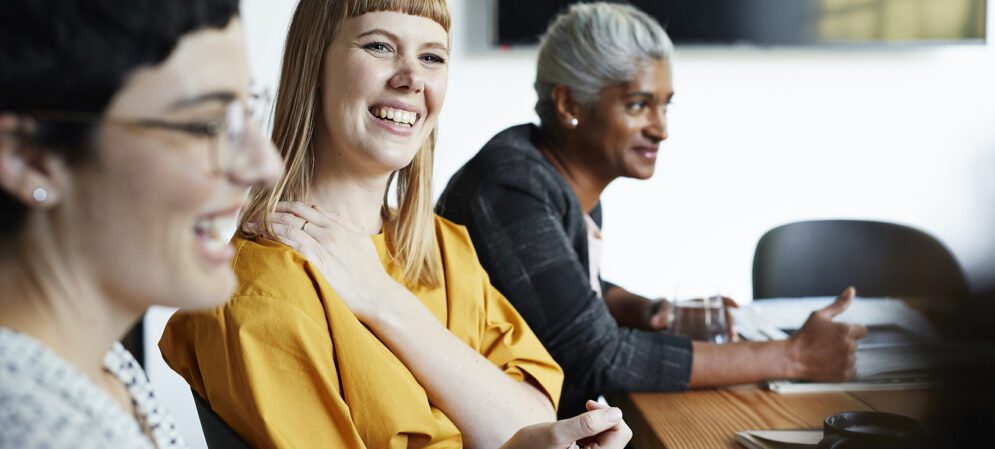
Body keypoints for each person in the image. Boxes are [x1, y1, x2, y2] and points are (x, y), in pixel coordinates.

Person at [158, 1, 632, 448]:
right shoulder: (261, 292)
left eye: (432, 57)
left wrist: (383, 300)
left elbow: (531, 420)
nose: (412, 79)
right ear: (314, 63)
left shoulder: (447, 249)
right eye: (379, 46)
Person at [437, 2, 867, 418]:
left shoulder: (554, 179)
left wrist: (653, 311)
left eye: (665, 105)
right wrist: (792, 356)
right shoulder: (511, 188)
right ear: (569, 105)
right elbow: (599, 357)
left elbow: (569, 295)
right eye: (638, 104)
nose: (661, 129)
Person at [0, 1, 283, 447]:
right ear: (29, 158)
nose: (266, 166)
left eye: (244, 110)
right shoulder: (32, 427)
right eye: (203, 125)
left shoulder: (103, 366)